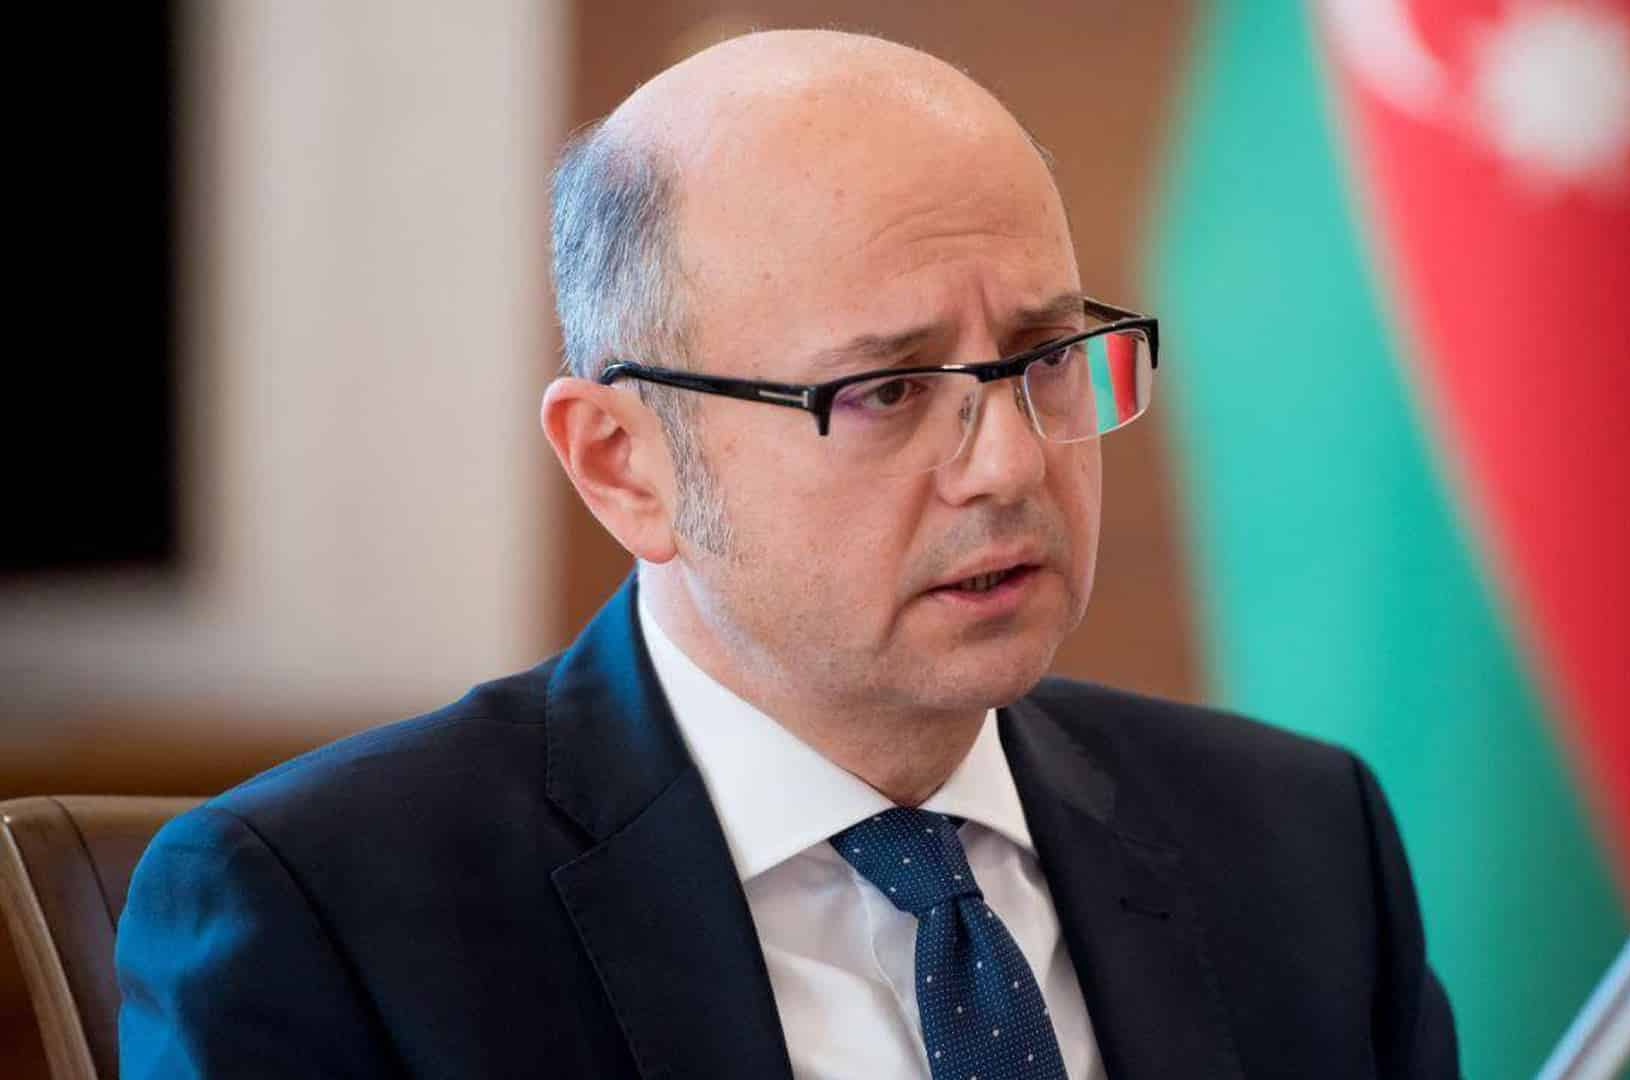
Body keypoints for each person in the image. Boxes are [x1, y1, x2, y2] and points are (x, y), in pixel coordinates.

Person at [117, 29, 1458, 1079]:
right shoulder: (328, 913)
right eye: (886, 390)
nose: (1008, 463)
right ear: (623, 463)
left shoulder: (1297, 843)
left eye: (1046, 356)